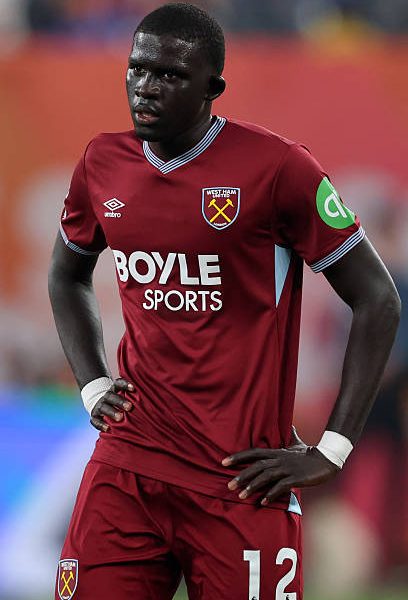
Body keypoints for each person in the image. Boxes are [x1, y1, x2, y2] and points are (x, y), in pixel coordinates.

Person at [48, 3, 400, 599]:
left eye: (170, 75)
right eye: (137, 68)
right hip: (129, 463)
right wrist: (93, 383)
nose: (145, 87)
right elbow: (67, 275)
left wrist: (332, 450)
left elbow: (377, 299)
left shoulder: (278, 168)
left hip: (242, 480)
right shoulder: (103, 163)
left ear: (213, 88)